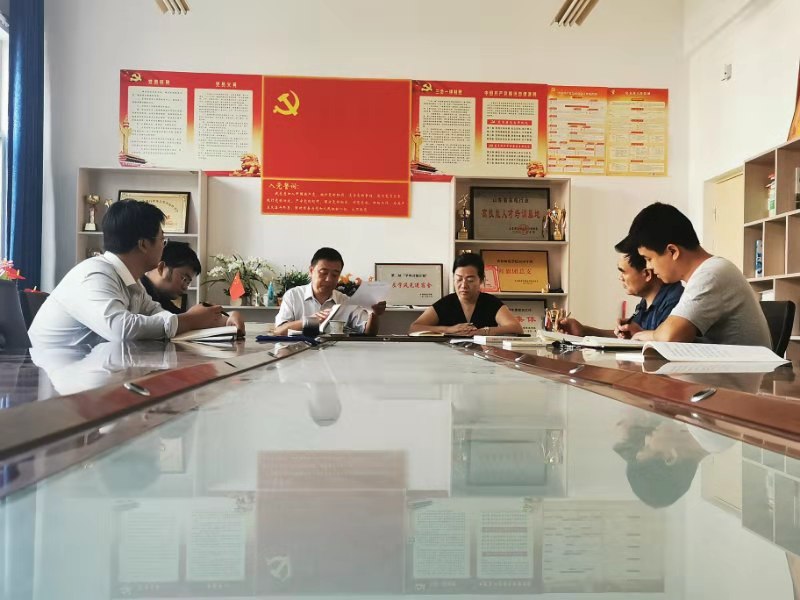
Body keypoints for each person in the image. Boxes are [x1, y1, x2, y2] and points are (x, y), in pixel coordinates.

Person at [29, 199, 243, 347]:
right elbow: (120, 329)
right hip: (46, 381)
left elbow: (158, 314)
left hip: (88, 374)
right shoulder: (94, 274)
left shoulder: (133, 282)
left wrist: (224, 323)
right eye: (162, 240)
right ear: (143, 244)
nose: (164, 247)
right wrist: (189, 320)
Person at [625, 202, 771, 347]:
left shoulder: (711, 274)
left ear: (673, 251)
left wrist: (643, 335)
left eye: (649, 259)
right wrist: (647, 334)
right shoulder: (708, 271)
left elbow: (671, 336)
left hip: (740, 363)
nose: (648, 267)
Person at [559, 236, 683, 338]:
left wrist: (639, 335)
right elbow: (631, 338)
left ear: (647, 274)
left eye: (623, 272)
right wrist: (583, 331)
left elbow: (664, 345)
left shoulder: (676, 302)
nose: (620, 278)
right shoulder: (645, 303)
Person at [274, 247, 386, 336]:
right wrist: (309, 321)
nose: (329, 279)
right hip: (298, 354)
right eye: (323, 273)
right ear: (311, 271)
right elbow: (279, 331)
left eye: (335, 275)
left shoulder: (345, 301)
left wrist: (374, 313)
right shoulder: (293, 296)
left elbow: (369, 333)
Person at [409, 253, 523, 336]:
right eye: (459, 279)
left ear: (481, 280)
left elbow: (516, 328)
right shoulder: (445, 303)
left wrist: (483, 331)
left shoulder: (491, 302)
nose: (463, 285)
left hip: (483, 357)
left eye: (470, 280)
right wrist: (449, 330)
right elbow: (414, 328)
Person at [141, 241, 201, 314]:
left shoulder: (163, 301)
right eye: (184, 279)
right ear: (161, 268)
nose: (185, 288)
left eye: (188, 282)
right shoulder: (136, 293)